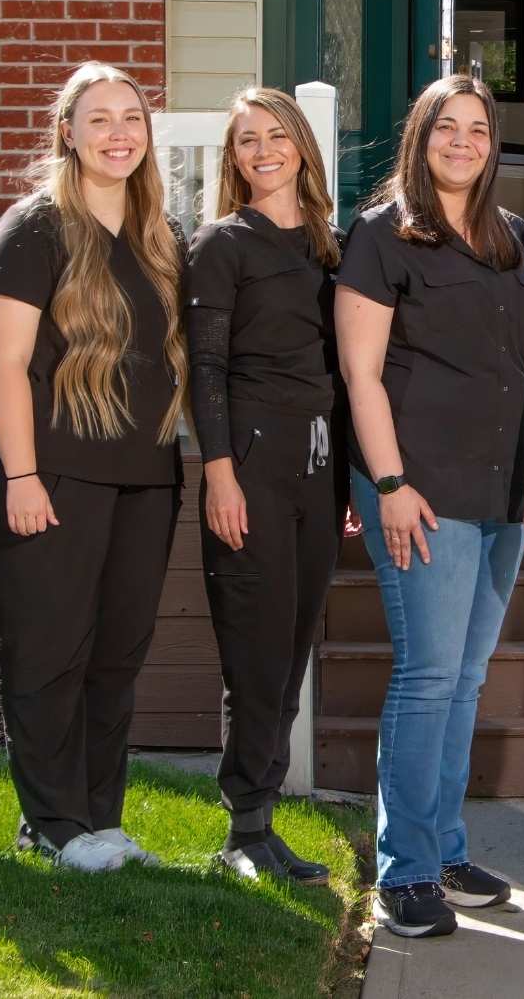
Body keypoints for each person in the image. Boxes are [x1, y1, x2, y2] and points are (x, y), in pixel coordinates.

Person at [335, 75, 524, 939]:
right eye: (445, 127)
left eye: (478, 128)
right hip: (418, 483)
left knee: (463, 678)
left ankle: (445, 847)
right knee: (426, 675)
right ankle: (406, 869)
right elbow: (361, 372)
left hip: (501, 484)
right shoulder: (383, 236)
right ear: (419, 138)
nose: (462, 141)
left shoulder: (510, 238)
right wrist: (387, 482)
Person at [0, 61, 187, 873]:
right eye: (98, 118)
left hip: (145, 479)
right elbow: (4, 366)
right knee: (49, 653)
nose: (119, 132)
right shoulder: (33, 229)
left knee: (115, 655)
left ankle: (102, 818)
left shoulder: (157, 237)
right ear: (67, 132)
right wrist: (21, 476)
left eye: (131, 116)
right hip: (53, 477)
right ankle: (52, 821)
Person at [186, 87, 346, 884]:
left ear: (301, 146)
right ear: (234, 158)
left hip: (317, 470)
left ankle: (263, 817)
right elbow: (205, 367)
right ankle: (244, 827)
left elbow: (347, 374)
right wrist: (219, 472)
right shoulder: (222, 244)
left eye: (276, 134)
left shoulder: (331, 245)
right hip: (246, 464)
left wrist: (347, 483)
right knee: (253, 650)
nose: (263, 150)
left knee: (290, 648)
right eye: (247, 139)